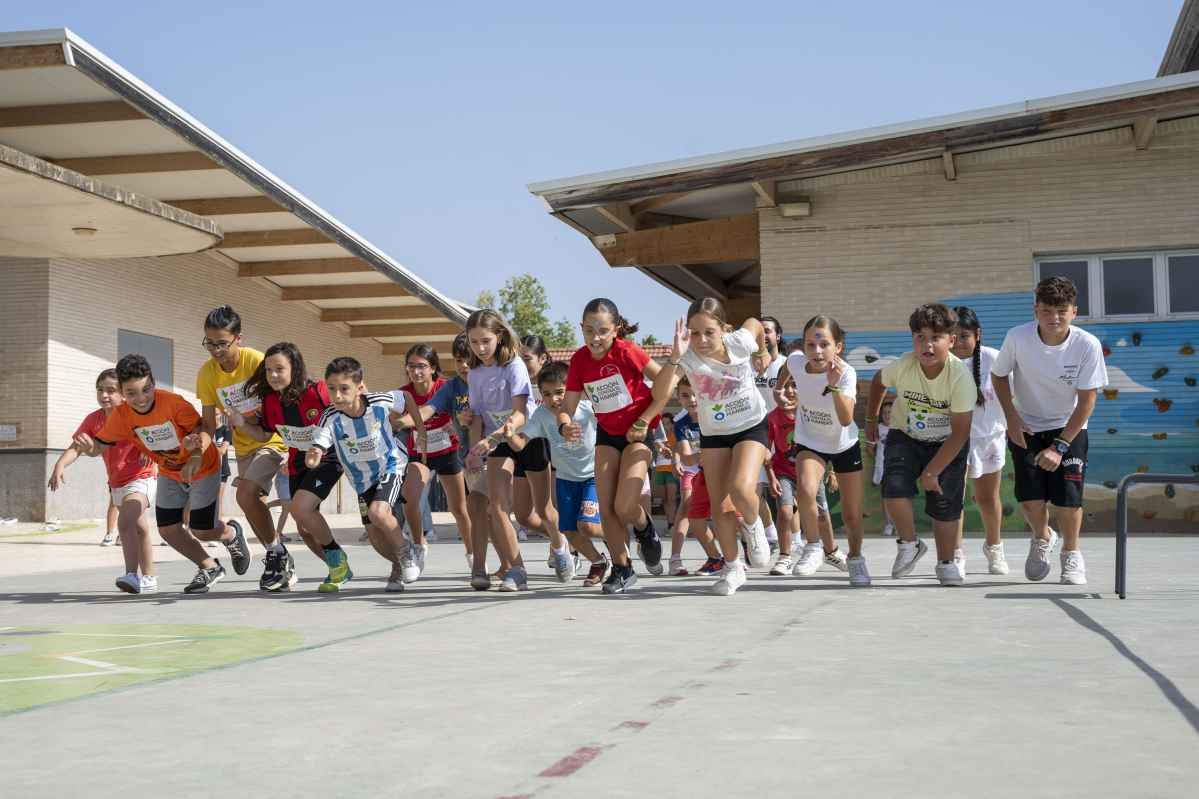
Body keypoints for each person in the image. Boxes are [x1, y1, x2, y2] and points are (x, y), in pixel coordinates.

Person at [81, 354, 249, 594]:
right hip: (170, 471)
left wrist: (194, 455)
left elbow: (202, 428)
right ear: (122, 393)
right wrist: (90, 449)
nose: (141, 399)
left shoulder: (173, 403)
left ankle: (231, 533)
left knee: (201, 530)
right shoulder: (121, 416)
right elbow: (99, 445)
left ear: (153, 383)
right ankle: (209, 566)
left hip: (202, 466)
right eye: (131, 393)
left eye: (146, 389)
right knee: (168, 529)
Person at [652, 297, 773, 596]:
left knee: (741, 489)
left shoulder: (739, 342)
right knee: (719, 504)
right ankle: (733, 569)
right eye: (694, 333)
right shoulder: (689, 357)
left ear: (724, 329)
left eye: (708, 332)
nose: (701, 339)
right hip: (715, 434)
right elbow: (659, 392)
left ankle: (753, 525)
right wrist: (676, 357)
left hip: (751, 425)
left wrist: (763, 350)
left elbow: (756, 324)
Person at [991, 276, 1107, 585]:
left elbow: (1087, 401)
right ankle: (1042, 538)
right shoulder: (1017, 337)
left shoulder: (1087, 344)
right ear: (1035, 310)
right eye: (1046, 310)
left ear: (1074, 311)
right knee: (1030, 499)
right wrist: (1011, 418)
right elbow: (999, 376)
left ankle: (1072, 555)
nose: (1054, 318)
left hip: (1069, 427)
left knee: (1068, 498)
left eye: (1061, 310)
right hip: (1026, 426)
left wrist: (1059, 446)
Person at [557, 298, 668, 594]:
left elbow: (665, 384)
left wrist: (644, 420)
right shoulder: (579, 360)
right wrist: (565, 424)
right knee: (606, 508)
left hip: (639, 433)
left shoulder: (628, 351)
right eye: (589, 330)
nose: (595, 338)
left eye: (603, 331)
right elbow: (566, 405)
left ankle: (645, 530)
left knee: (625, 505)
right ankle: (623, 568)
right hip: (607, 434)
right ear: (581, 328)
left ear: (616, 330)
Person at [865, 304, 975, 586]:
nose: (927, 345)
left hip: (948, 442)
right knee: (894, 488)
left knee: (945, 504)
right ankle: (909, 544)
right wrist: (870, 419)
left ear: (950, 341)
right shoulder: (903, 365)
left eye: (935, 338)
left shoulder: (960, 377)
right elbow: (878, 382)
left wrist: (932, 471)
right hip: (906, 436)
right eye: (920, 337)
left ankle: (946, 562)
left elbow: (961, 433)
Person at [235, 342, 353, 591]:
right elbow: (263, 435)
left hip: (329, 458)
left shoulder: (318, 391)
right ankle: (338, 566)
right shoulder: (270, 400)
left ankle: (338, 562)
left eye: (280, 369)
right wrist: (241, 423)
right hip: (299, 461)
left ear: (295, 368)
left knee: (301, 508)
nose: (273, 375)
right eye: (268, 370)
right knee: (305, 527)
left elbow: (346, 411)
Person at [196, 306, 294, 592]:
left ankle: (276, 555)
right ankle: (277, 555)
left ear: (238, 339)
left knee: (245, 492)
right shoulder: (207, 374)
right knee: (252, 502)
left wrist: (294, 442)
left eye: (221, 343)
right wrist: (196, 450)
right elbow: (207, 421)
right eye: (209, 343)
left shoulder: (256, 361)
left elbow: (283, 396)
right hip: (243, 444)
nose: (215, 350)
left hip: (273, 438)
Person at [307, 357, 417, 592]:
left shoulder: (378, 402)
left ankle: (407, 551)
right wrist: (314, 454)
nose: (337, 396)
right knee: (375, 538)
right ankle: (398, 564)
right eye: (332, 389)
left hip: (391, 465)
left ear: (359, 387)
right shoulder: (330, 416)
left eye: (344, 389)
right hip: (360, 480)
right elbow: (319, 443)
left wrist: (422, 429)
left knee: (379, 512)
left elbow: (406, 397)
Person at [503, 361, 611, 585]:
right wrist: (511, 435)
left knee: (588, 526)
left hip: (592, 475)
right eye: (547, 394)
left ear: (571, 389)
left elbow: (610, 423)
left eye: (560, 392)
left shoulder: (586, 407)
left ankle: (615, 533)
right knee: (569, 531)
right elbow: (521, 443)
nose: (554, 399)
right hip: (565, 479)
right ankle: (599, 562)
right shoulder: (542, 415)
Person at [51, 368, 157, 593]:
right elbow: (78, 447)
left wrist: (151, 447)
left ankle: (132, 576)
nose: (104, 395)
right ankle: (149, 576)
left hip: (142, 477)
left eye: (111, 390)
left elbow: (158, 432)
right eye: (100, 390)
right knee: (140, 528)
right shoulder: (94, 419)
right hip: (117, 482)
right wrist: (59, 465)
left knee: (125, 522)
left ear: (124, 394)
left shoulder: (136, 413)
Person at [785, 316, 869, 587]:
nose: (817, 351)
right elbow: (787, 367)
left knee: (852, 514)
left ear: (838, 347)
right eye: (811, 344)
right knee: (806, 490)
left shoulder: (846, 374)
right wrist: (778, 390)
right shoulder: (796, 362)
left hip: (844, 444)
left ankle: (855, 559)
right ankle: (813, 548)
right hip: (810, 441)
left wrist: (832, 385)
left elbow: (845, 419)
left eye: (824, 344)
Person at [463, 309, 536, 592]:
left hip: (524, 439)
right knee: (496, 505)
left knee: (537, 513)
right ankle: (517, 569)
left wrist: (492, 439)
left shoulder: (514, 366)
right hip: (498, 444)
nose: (480, 348)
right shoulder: (476, 373)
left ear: (500, 337)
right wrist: (474, 450)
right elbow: (478, 415)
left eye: (486, 341)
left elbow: (520, 414)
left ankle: (560, 544)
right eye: (474, 342)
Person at [398, 343, 473, 579]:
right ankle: (419, 545)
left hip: (447, 452)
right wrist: (396, 421)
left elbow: (461, 413)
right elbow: (394, 417)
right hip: (419, 455)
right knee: (410, 499)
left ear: (433, 368)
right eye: (411, 366)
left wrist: (457, 422)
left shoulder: (445, 388)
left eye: (421, 366)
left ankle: (473, 555)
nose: (416, 371)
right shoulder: (403, 394)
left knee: (459, 508)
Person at [762, 367, 840, 577]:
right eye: (784, 386)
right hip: (783, 473)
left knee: (822, 515)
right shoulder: (771, 419)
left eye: (794, 386)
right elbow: (765, 452)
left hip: (812, 473)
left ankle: (831, 551)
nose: (788, 391)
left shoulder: (810, 414)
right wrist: (771, 478)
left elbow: (827, 443)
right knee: (786, 513)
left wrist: (832, 472)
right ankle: (785, 557)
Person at [951, 306, 1009, 576]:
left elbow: (1014, 398)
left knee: (987, 498)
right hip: (953, 440)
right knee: (954, 498)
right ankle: (954, 553)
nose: (959, 343)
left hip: (989, 438)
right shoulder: (942, 363)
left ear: (978, 334)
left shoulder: (994, 360)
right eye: (953, 336)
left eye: (964, 336)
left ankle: (994, 547)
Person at [670, 377, 726, 576]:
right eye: (686, 395)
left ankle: (733, 555)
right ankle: (675, 558)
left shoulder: (716, 412)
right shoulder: (681, 422)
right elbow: (685, 454)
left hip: (719, 468)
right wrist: (678, 460)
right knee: (687, 507)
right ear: (678, 397)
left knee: (727, 512)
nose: (692, 399)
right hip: (695, 469)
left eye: (695, 394)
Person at [516, 335, 563, 552]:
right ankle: (562, 541)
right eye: (517, 359)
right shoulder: (514, 383)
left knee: (552, 508)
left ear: (542, 358)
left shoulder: (557, 383)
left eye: (526, 358)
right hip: (524, 448)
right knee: (524, 516)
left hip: (554, 450)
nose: (521, 365)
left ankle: (564, 551)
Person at [754, 315, 787, 553]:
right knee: (753, 490)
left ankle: (795, 538)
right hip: (756, 434)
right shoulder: (747, 366)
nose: (763, 335)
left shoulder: (788, 365)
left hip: (784, 435)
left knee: (785, 493)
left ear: (777, 336)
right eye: (759, 331)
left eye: (768, 331)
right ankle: (771, 534)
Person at [867, 400, 896, 536]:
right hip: (883, 468)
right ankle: (889, 524)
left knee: (900, 497)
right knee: (886, 497)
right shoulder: (877, 429)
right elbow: (870, 448)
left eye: (890, 412)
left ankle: (901, 524)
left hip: (898, 468)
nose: (887, 415)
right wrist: (877, 455)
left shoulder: (900, 428)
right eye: (884, 413)